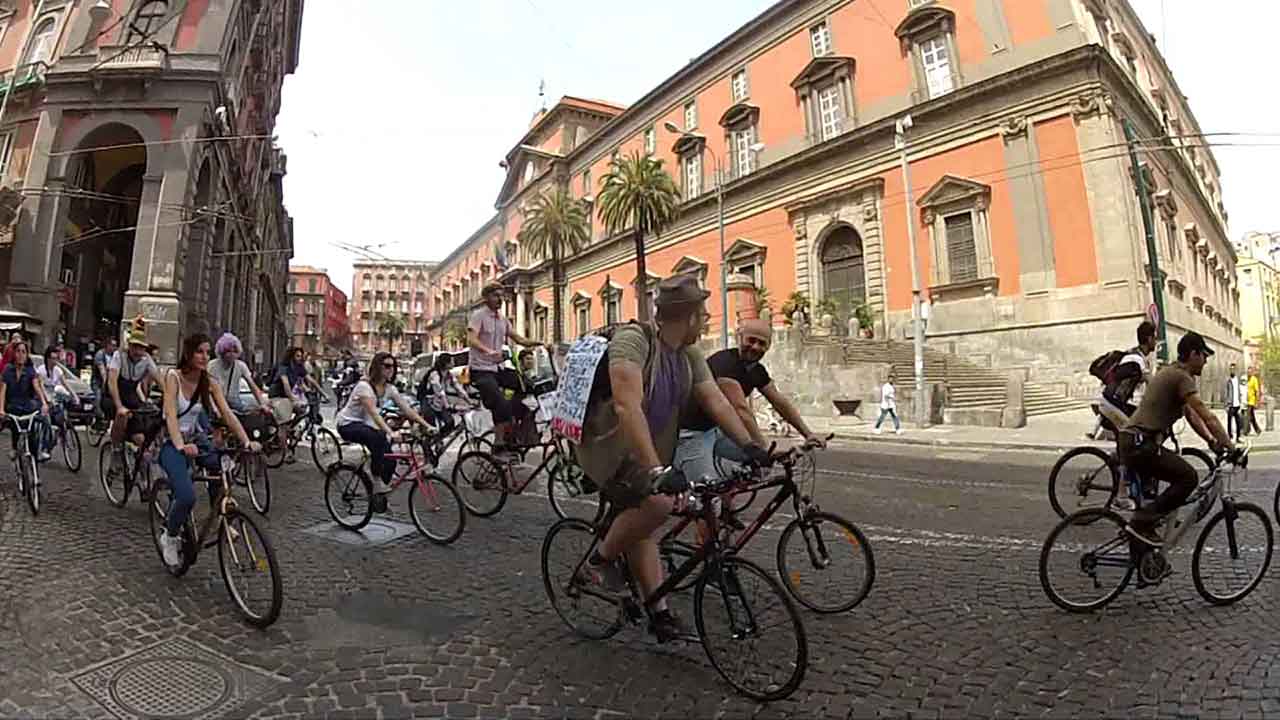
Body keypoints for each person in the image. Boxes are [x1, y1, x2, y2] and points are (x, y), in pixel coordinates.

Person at [575, 274, 768, 642]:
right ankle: (596, 563)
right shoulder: (633, 342)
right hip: (610, 449)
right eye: (704, 313)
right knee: (658, 505)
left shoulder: (688, 354)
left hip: (650, 450)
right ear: (690, 316)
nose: (709, 318)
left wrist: (749, 446)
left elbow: (715, 400)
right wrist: (658, 469)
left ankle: (659, 616)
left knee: (645, 525)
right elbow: (626, 406)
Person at [674, 317, 824, 485]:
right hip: (692, 433)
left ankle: (727, 503)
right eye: (751, 340)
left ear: (768, 346)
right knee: (707, 493)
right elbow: (741, 410)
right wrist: (763, 447)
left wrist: (808, 434)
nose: (755, 347)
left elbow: (779, 402)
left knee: (744, 470)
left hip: (716, 430)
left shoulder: (757, 371)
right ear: (740, 337)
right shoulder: (725, 364)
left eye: (762, 343)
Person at [155, 334, 261, 567]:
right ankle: (169, 536)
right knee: (186, 496)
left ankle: (222, 520)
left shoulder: (209, 381)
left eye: (207, 352)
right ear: (188, 353)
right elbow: (171, 415)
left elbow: (227, 413)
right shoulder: (173, 377)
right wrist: (180, 445)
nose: (204, 357)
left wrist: (246, 441)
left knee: (222, 468)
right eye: (199, 352)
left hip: (197, 441)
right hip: (173, 443)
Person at [1119, 332, 1233, 547]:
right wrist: (1230, 446)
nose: (1206, 361)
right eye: (1204, 356)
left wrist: (1211, 442)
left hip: (1133, 441)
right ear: (1193, 354)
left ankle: (1143, 558)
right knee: (1187, 477)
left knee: (1152, 497)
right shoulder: (1181, 377)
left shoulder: (1171, 372)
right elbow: (1206, 415)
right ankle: (1141, 523)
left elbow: (1192, 415)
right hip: (1140, 444)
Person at [335, 352, 433, 509]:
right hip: (348, 424)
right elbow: (374, 414)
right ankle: (376, 479)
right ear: (377, 367)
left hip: (368, 426)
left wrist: (427, 426)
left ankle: (379, 497)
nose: (391, 370)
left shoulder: (390, 389)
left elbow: (407, 410)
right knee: (378, 438)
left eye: (393, 366)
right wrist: (390, 432)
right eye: (387, 366)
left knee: (391, 460)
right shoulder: (364, 387)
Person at [468, 282, 539, 454]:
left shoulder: (503, 320)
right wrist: (489, 351)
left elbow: (518, 339)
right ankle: (498, 444)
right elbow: (471, 339)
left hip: (497, 369)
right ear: (486, 298)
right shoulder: (479, 316)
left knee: (526, 384)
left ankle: (512, 425)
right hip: (481, 370)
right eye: (495, 295)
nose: (500, 299)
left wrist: (538, 343)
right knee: (499, 402)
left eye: (501, 296)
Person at [106, 317, 164, 456]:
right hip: (112, 395)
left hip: (131, 396)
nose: (138, 352)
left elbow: (160, 381)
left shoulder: (146, 360)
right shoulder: (119, 356)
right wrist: (119, 406)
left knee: (141, 438)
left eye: (141, 348)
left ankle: (140, 468)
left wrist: (171, 400)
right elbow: (112, 382)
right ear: (130, 346)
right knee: (122, 415)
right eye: (135, 347)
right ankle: (115, 450)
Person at [0, 340, 50, 461]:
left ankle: (36, 458)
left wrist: (44, 403)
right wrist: (1, 409)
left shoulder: (30, 370)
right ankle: (14, 448)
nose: (21, 355)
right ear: (14, 354)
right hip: (12, 404)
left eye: (24, 352)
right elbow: (3, 390)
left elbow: (36, 386)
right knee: (14, 424)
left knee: (33, 428)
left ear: (27, 355)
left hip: (26, 404)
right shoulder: (8, 369)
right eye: (18, 351)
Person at [209, 333, 270, 414]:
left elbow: (252, 386)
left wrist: (262, 404)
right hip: (217, 402)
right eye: (228, 351)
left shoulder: (241, 365)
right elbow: (208, 390)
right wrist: (215, 409)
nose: (232, 354)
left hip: (234, 402)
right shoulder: (212, 366)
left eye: (235, 351)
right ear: (222, 352)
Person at [36, 345, 75, 458]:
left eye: (56, 358)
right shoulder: (41, 370)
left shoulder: (58, 370)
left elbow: (65, 384)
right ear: (47, 359)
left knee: (61, 417)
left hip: (55, 399)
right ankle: (43, 448)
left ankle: (60, 436)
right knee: (46, 421)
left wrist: (73, 395)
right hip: (44, 400)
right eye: (52, 358)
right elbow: (41, 386)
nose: (54, 361)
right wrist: (47, 400)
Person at [417, 352, 466, 433]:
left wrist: (469, 400)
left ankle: (439, 439)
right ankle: (428, 442)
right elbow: (439, 391)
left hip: (439, 402)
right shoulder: (434, 374)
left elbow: (458, 387)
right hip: (427, 401)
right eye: (452, 361)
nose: (454, 363)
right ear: (446, 363)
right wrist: (447, 405)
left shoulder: (448, 374)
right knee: (431, 425)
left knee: (450, 422)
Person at [92, 336, 116, 408]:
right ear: (108, 345)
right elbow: (102, 371)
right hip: (99, 382)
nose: (114, 348)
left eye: (115, 346)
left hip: (110, 381)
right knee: (98, 398)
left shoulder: (114, 355)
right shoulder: (100, 354)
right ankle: (98, 416)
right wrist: (105, 384)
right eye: (113, 345)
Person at [1245, 368, 1262, 436]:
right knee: (1252, 417)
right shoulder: (1246, 379)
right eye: (1248, 372)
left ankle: (1245, 431)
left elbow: (1257, 391)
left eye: (1250, 372)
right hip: (1246, 401)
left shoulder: (1254, 379)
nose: (1249, 374)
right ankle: (1258, 430)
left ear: (1252, 373)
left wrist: (1257, 402)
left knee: (1248, 416)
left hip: (1251, 401)